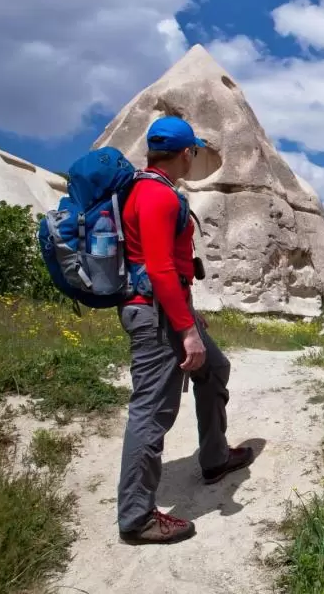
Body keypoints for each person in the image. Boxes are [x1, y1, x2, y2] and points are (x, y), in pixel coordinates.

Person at [116, 116, 254, 545]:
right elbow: (158, 267)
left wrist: (191, 317)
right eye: (193, 151)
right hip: (155, 314)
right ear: (186, 153)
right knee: (152, 412)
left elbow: (170, 268)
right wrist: (186, 331)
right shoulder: (155, 195)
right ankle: (137, 518)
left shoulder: (148, 189)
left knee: (214, 368)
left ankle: (214, 458)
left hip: (168, 307)